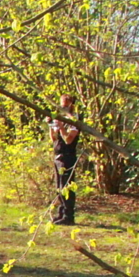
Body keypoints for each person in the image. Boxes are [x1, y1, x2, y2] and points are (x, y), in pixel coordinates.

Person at [50, 95, 80, 225]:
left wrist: (62, 126)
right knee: (59, 186)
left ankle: (69, 216)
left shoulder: (75, 119)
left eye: (65, 105)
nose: (63, 107)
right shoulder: (60, 119)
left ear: (71, 104)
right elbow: (54, 139)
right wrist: (51, 125)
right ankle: (61, 213)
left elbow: (68, 140)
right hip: (58, 155)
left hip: (68, 156)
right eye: (61, 105)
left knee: (66, 186)